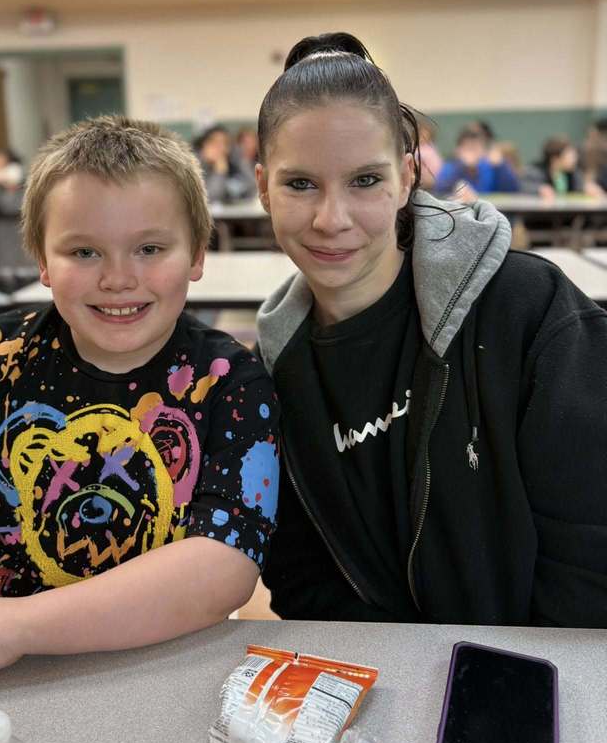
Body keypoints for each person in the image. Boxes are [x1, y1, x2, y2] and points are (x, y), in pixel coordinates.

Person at [0, 116, 278, 695]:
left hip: (164, 665)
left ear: (197, 254)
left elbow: (224, 569)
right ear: (42, 262)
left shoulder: (230, 381)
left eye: (150, 247)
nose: (119, 278)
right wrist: (9, 636)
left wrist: (19, 626)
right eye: (84, 251)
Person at [254, 32, 607, 628]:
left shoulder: (531, 310)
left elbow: (591, 556)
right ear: (263, 186)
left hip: (546, 680)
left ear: (409, 175)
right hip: (381, 690)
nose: (330, 219)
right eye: (300, 184)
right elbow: (300, 577)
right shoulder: (268, 376)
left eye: (365, 180)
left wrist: (505, 684)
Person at [433, 124, 520, 199]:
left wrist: (500, 168)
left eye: (476, 148)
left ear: (484, 150)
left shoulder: (492, 166)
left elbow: (513, 191)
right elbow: (440, 192)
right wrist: (461, 167)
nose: (472, 152)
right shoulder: (450, 167)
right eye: (468, 148)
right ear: (458, 150)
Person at [195, 124, 257, 204]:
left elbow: (254, 188)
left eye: (225, 143)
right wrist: (219, 172)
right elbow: (210, 199)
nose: (222, 148)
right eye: (215, 143)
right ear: (204, 145)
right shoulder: (195, 167)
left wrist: (240, 159)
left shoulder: (233, 164)